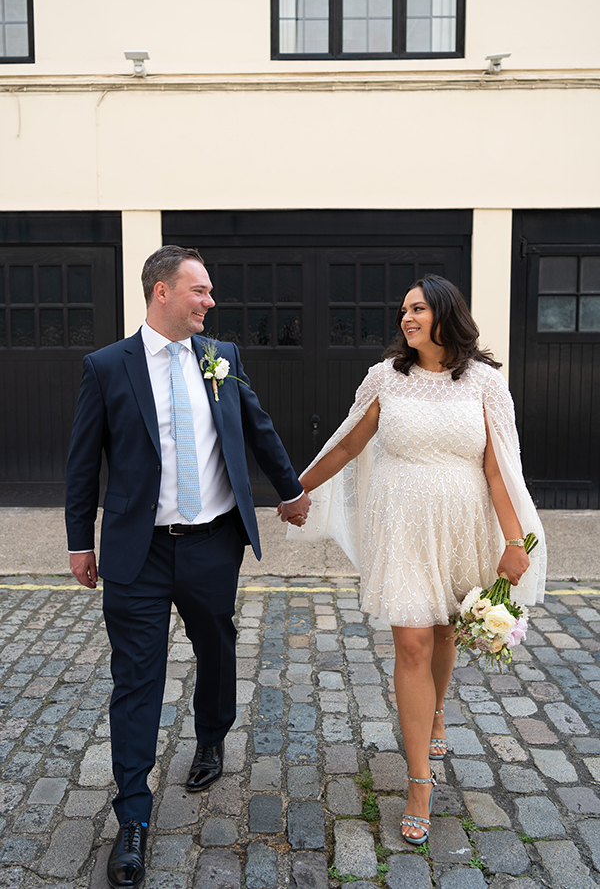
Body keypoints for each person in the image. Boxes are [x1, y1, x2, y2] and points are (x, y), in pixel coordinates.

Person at [65, 245, 310, 889]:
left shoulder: (220, 357)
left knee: (217, 645)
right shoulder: (107, 367)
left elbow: (258, 428)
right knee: (136, 678)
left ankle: (211, 735)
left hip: (210, 543)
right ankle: (135, 818)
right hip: (135, 551)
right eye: (199, 291)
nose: (210, 302)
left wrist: (290, 490)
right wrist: (78, 542)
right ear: (161, 293)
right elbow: (83, 460)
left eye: (210, 292)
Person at [288, 275, 546, 846]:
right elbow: (351, 442)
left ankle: (435, 714)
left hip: (463, 522)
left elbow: (500, 468)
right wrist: (297, 488)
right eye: (403, 309)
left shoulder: (486, 383)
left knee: (446, 630)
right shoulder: (386, 376)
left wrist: (512, 540)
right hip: (401, 522)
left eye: (418, 308)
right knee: (412, 641)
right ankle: (419, 783)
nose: (406, 318)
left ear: (445, 315)